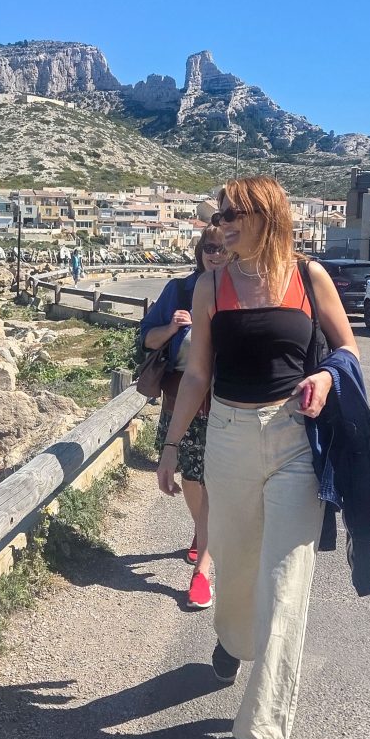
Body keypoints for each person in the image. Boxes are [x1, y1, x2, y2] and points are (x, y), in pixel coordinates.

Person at [156, 175, 358, 739]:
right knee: (238, 560)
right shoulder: (211, 284)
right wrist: (170, 447)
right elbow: (197, 374)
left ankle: (265, 726)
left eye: (232, 215)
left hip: (295, 438)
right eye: (218, 216)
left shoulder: (309, 277)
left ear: (266, 216)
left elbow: (348, 350)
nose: (220, 225)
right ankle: (234, 637)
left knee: (286, 580)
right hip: (228, 437)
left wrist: (326, 377)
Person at [139, 224, 226, 608]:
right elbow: (146, 338)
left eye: (223, 248)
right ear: (200, 251)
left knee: (216, 480)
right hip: (183, 398)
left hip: (228, 401)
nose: (216, 254)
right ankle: (203, 530)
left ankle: (203, 569)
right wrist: (173, 326)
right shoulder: (180, 290)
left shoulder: (240, 290)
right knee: (191, 476)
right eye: (210, 247)